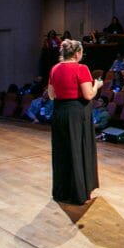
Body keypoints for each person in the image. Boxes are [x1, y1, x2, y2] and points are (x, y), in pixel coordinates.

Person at [46, 39, 102, 205]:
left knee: (62, 151)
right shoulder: (81, 68)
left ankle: (62, 191)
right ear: (78, 53)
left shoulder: (54, 68)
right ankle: (78, 193)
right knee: (77, 150)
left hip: (59, 113)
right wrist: (97, 85)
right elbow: (88, 95)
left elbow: (51, 95)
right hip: (76, 114)